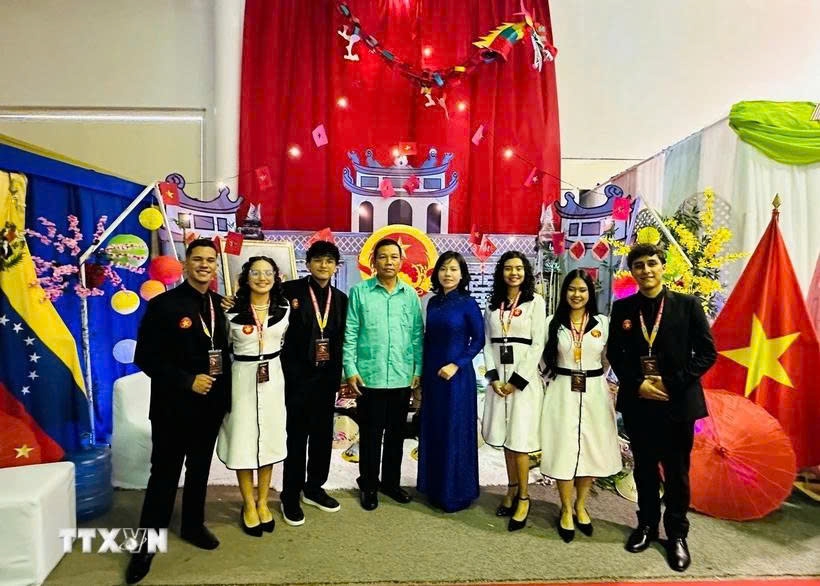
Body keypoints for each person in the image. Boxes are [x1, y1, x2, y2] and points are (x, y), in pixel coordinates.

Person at [126, 239, 230, 585]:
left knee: (199, 470)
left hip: (210, 406)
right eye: (198, 259)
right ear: (185, 264)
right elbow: (145, 357)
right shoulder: (164, 305)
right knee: (165, 473)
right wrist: (187, 380)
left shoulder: (219, 305)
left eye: (210, 260)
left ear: (215, 267)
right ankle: (146, 544)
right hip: (173, 405)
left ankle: (193, 525)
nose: (204, 265)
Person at [607, 243, 717, 572]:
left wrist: (672, 382)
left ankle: (677, 534)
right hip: (640, 402)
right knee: (643, 469)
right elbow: (615, 354)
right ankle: (647, 525)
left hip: (677, 403)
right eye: (639, 265)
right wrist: (636, 383)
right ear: (632, 271)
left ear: (663, 266)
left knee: (677, 472)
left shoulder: (688, 305)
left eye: (651, 263)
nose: (646, 270)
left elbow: (707, 354)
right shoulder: (623, 309)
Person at [539, 269, 622, 542]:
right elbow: (542, 360)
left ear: (590, 293)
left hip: (594, 391)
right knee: (563, 448)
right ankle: (565, 508)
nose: (577, 295)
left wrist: (605, 381)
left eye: (582, 290)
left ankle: (581, 505)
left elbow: (609, 358)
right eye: (572, 289)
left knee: (590, 448)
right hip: (562, 390)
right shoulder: (552, 322)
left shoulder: (603, 323)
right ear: (565, 292)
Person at [343, 238, 423, 511]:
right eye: (383, 257)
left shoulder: (410, 295)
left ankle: (390, 483)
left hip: (401, 375)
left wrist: (417, 369)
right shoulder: (360, 292)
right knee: (371, 435)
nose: (389, 262)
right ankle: (368, 485)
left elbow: (416, 335)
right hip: (370, 376)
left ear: (401, 261)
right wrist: (350, 368)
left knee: (396, 436)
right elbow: (350, 332)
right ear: (373, 261)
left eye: (394, 257)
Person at [216, 256, 289, 537]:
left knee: (268, 440)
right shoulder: (231, 310)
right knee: (243, 441)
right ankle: (248, 504)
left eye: (268, 272)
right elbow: (222, 346)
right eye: (255, 273)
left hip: (273, 378)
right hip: (241, 378)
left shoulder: (284, 309)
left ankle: (263, 502)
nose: (262, 278)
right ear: (246, 277)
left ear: (275, 277)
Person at [279, 241, 348, 526]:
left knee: (321, 436)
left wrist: (341, 377)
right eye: (318, 260)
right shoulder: (289, 291)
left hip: (326, 379)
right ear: (308, 264)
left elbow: (342, 339)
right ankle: (290, 495)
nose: (323, 265)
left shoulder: (341, 299)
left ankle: (314, 487)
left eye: (329, 261)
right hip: (296, 378)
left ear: (336, 267)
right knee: (296, 438)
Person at [482, 251, 546, 531]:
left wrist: (517, 380)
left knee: (520, 441)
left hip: (523, 383)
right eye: (508, 268)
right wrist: (494, 377)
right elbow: (487, 344)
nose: (514, 273)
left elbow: (538, 344)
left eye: (519, 268)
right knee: (507, 440)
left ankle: (524, 497)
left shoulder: (535, 302)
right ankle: (510, 489)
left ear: (525, 272)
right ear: (501, 272)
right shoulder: (492, 306)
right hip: (499, 382)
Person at [417, 251, 484, 512]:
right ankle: (435, 488)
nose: (448, 274)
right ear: (437, 273)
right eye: (444, 269)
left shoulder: (468, 303)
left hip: (457, 377)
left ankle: (456, 492)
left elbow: (478, 340)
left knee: (455, 429)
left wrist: (456, 364)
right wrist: (421, 376)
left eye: (454, 269)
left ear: (462, 274)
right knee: (434, 427)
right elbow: (428, 339)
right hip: (433, 375)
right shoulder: (433, 303)